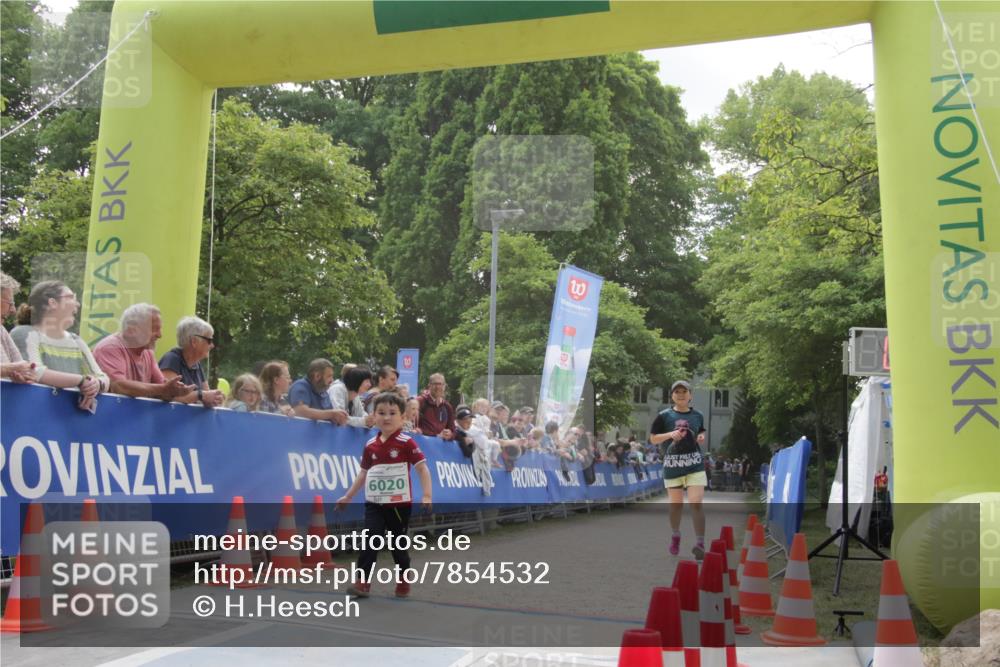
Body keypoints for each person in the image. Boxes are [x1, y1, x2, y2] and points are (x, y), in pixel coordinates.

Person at [335, 392, 432, 598]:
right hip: (375, 503)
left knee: (398, 546)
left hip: (399, 505)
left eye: (392, 413)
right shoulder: (370, 445)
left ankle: (404, 578)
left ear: (402, 417)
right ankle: (362, 583)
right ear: (374, 415)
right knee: (370, 538)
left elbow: (423, 469)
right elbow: (363, 473)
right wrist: (348, 496)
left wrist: (427, 496)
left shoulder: (407, 442)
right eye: (381, 413)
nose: (386, 417)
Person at [10, 280, 109, 411]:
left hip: (68, 423)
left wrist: (95, 385)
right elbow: (34, 372)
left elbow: (102, 377)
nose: (77, 304)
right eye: (71, 297)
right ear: (52, 303)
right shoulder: (24, 333)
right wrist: (81, 381)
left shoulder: (76, 341)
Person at [650, 380, 708, 560]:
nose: (681, 394)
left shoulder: (698, 415)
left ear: (690, 395)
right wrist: (669, 435)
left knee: (696, 503)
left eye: (684, 391)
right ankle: (676, 535)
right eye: (677, 391)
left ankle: (700, 543)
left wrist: (701, 435)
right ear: (672, 395)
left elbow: (701, 430)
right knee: (676, 507)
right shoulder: (663, 416)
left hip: (694, 465)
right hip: (673, 466)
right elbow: (653, 439)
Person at [93, 303, 192, 401]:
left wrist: (174, 390)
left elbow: (162, 389)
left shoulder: (147, 352)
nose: (160, 335)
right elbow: (119, 386)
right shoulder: (110, 347)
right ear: (131, 330)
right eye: (154, 329)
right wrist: (164, 389)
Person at [158, 316, 225, 407]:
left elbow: (206, 395)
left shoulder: (196, 364)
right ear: (194, 341)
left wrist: (214, 399)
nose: (212, 345)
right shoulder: (171, 359)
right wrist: (201, 395)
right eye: (209, 340)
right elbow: (168, 395)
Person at [288, 358, 349, 425]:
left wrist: (338, 418)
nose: (332, 380)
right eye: (329, 376)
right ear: (317, 376)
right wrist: (332, 414)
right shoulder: (300, 386)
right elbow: (300, 411)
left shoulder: (323, 391)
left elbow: (329, 415)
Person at [1, 272, 35, 383]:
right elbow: (15, 366)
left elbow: (21, 365)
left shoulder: (1, 330)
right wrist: (10, 369)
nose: (13, 310)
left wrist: (26, 375)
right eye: (10, 303)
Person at [417, 373, 455, 439]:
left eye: (440, 384)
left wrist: (450, 435)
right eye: (435, 384)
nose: (438, 387)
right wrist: (436, 436)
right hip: (422, 445)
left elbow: (453, 430)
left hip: (440, 447)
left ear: (444, 386)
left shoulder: (447, 406)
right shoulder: (420, 402)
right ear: (429, 386)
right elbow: (412, 427)